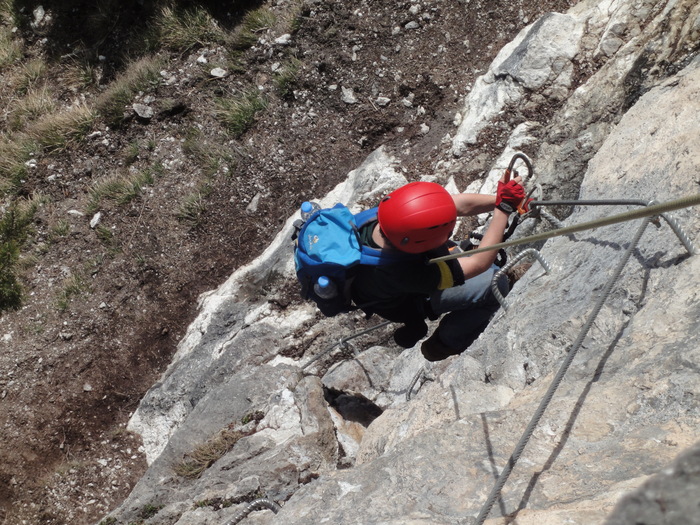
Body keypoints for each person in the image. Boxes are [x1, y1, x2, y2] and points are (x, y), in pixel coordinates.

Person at [350, 172, 526, 361]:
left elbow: (453, 205)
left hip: (390, 282)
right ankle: (443, 344)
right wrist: (504, 209)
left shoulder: (391, 216)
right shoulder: (400, 271)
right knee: (495, 284)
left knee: (459, 253)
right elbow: (479, 263)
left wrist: (502, 200)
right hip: (410, 298)